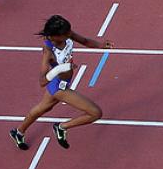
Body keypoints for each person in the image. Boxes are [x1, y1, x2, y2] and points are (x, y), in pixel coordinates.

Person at [9, 15, 113, 151]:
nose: (70, 34)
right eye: (66, 34)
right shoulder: (49, 52)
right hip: (59, 87)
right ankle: (61, 127)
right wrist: (61, 68)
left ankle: (18, 132)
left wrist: (101, 45)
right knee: (95, 113)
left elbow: (85, 41)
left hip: (63, 82)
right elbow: (42, 81)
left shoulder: (66, 33)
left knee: (44, 108)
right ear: (55, 36)